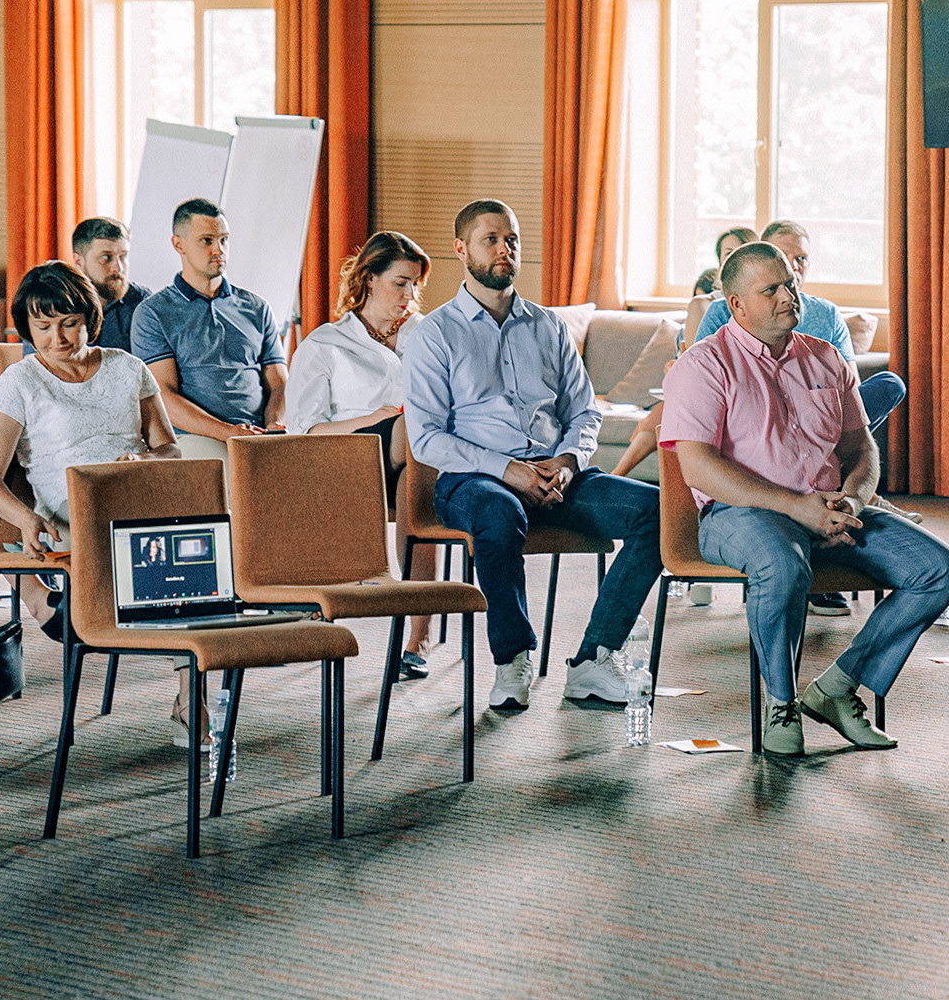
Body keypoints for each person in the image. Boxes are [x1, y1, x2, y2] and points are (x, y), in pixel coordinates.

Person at [665, 240, 949, 754]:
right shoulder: (704, 364)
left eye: (792, 285)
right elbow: (699, 467)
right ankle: (781, 702)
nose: (789, 297)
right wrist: (795, 507)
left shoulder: (826, 358)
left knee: (939, 569)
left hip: (829, 508)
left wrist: (855, 498)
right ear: (735, 304)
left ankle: (836, 688)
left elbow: (859, 446)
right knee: (782, 563)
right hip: (741, 513)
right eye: (772, 289)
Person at [402, 199, 663, 713]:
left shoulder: (548, 326)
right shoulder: (434, 333)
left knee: (656, 512)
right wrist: (510, 471)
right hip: (474, 478)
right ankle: (513, 657)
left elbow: (585, 412)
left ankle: (594, 660)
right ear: (461, 249)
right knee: (499, 514)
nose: (505, 249)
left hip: (556, 472)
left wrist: (567, 462)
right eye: (490, 239)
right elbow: (427, 438)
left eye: (512, 240)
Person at [0, 263, 184, 736]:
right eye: (42, 327)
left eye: (69, 323)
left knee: (193, 541)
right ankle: (70, 612)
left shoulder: (128, 368)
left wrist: (145, 460)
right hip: (71, 509)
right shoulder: (21, 382)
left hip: (136, 495)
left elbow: (168, 446)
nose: (57, 338)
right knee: (169, 555)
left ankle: (190, 697)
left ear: (90, 317)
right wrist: (25, 519)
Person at [691, 220, 905, 617]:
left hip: (821, 415)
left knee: (886, 386)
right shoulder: (720, 320)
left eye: (797, 264)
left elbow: (846, 386)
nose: (790, 281)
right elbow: (696, 368)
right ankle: (840, 503)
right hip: (748, 426)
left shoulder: (823, 315)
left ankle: (843, 496)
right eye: (780, 266)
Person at [289, 230, 435, 678]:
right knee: (411, 430)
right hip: (345, 458)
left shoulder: (426, 337)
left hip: (415, 461)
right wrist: (371, 418)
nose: (409, 295)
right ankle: (411, 624)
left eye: (415, 285)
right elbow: (303, 429)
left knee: (418, 481)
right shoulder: (325, 344)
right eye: (399, 283)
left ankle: (419, 636)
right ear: (369, 279)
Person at [130, 198, 287, 458]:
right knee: (238, 479)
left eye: (224, 240)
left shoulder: (257, 307)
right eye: (207, 241)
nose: (219, 250)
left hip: (257, 434)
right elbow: (164, 397)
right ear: (178, 244)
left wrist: (273, 425)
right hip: (196, 437)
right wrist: (228, 432)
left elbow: (279, 382)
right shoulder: (153, 313)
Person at [610, 225, 758, 483]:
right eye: (727, 253)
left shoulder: (759, 304)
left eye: (741, 251)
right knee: (664, 416)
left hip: (735, 389)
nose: (733, 258)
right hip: (697, 386)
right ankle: (615, 479)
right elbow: (690, 359)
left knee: (664, 417)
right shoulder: (704, 304)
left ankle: (615, 478)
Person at [72, 216, 149, 353]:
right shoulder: (58, 303)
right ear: (78, 261)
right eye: (106, 257)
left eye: (123, 257)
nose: (118, 268)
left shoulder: (142, 302)